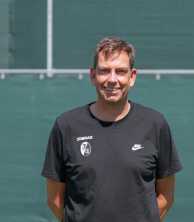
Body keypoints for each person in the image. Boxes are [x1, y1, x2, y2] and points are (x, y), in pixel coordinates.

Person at [41, 37, 183, 222]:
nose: (112, 79)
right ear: (93, 75)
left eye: (121, 71)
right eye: (105, 71)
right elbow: (54, 199)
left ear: (132, 77)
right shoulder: (66, 126)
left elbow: (166, 196)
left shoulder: (155, 124)